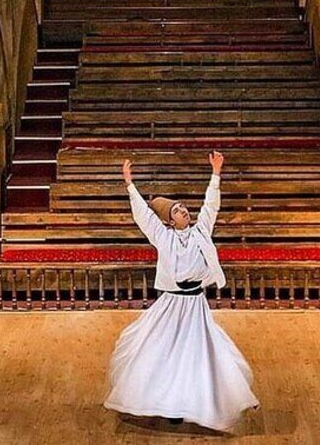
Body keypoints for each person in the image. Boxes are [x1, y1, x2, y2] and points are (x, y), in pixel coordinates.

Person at [103, 151, 259, 432]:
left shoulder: (201, 233)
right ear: (170, 220)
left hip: (195, 304)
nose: (184, 211)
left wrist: (216, 174)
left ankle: (202, 400)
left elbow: (211, 206)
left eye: (184, 207)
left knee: (200, 351)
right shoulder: (164, 237)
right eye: (177, 210)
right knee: (163, 349)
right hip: (172, 304)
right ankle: (164, 401)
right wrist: (129, 184)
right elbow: (143, 217)